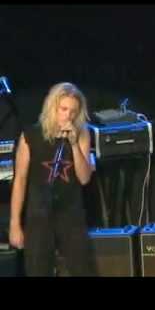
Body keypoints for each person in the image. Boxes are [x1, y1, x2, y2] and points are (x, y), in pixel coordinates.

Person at [9, 82, 95, 276]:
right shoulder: (30, 136)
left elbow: (84, 178)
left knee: (82, 269)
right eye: (64, 109)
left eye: (73, 111)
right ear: (52, 107)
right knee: (38, 270)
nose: (68, 116)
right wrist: (15, 224)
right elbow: (20, 180)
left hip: (71, 213)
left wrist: (73, 145)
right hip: (39, 213)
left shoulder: (81, 133)